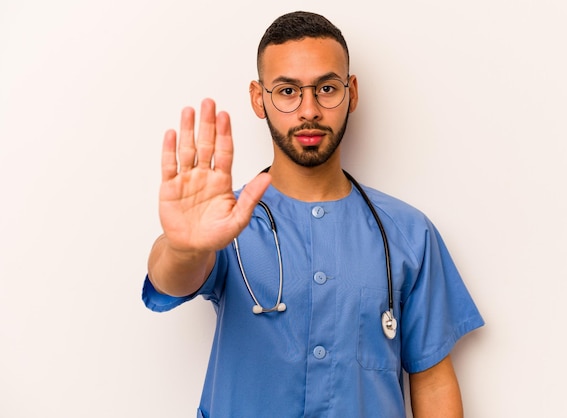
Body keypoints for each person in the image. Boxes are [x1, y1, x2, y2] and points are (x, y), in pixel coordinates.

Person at [143, 10, 484, 418]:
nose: (309, 111)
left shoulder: (408, 233)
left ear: (352, 92)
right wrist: (183, 248)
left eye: (326, 88)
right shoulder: (224, 221)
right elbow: (171, 281)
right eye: (287, 91)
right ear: (258, 98)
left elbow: (431, 379)